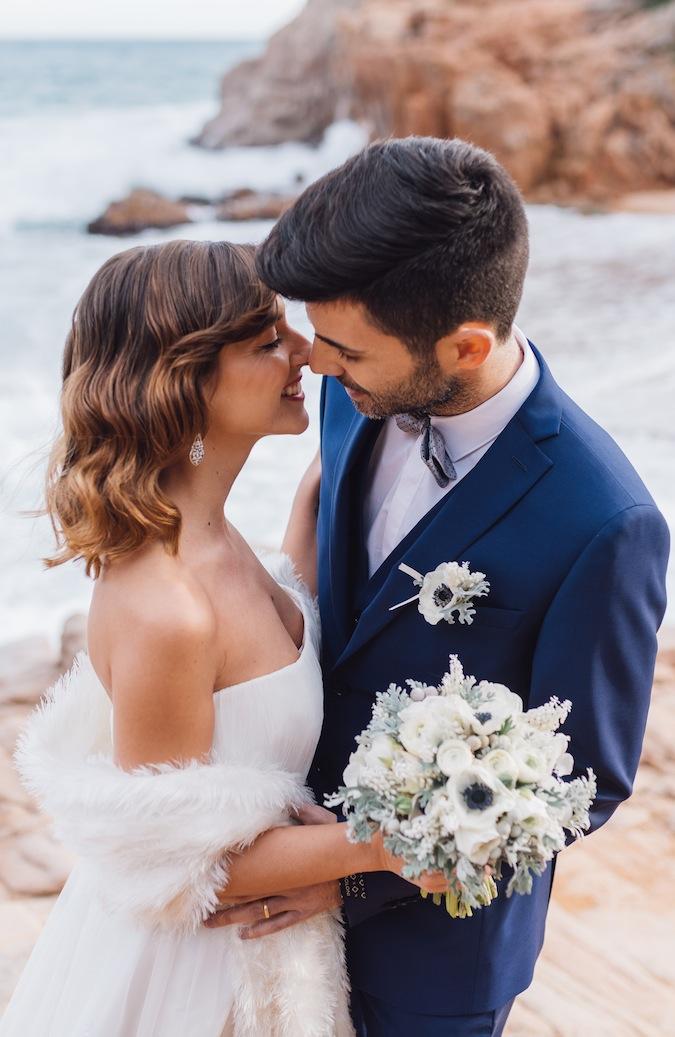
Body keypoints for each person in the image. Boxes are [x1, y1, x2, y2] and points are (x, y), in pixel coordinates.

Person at [237, 136, 669, 1037]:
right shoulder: (354, 390)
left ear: (464, 345)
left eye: (344, 348)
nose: (315, 363)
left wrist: (353, 872)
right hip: (273, 909)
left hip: (434, 958)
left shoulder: (604, 521)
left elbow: (581, 781)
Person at [0, 240, 450, 1037]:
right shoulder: (167, 610)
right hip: (196, 986)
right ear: (187, 383)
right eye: (269, 341)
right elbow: (175, 865)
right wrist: (387, 847)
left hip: (263, 958)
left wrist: (330, 488)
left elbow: (275, 637)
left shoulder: (215, 537)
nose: (306, 353)